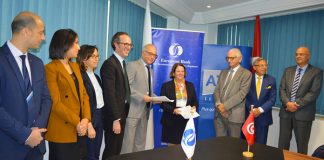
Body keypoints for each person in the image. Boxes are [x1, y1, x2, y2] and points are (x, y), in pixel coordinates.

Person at [0, 11, 52, 160]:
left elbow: (46, 99)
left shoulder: (37, 63)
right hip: (8, 147)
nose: (43, 37)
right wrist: (25, 134)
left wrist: (36, 131)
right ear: (26, 32)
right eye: (41, 33)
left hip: (36, 146)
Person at [45, 29, 92, 160]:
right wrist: (78, 122)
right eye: (75, 43)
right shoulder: (50, 69)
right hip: (62, 130)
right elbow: (55, 103)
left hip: (79, 129)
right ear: (64, 44)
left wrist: (86, 119)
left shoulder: (75, 66)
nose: (79, 47)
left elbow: (84, 95)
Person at [278, 46, 323, 154]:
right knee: (282, 144)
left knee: (302, 145)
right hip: (286, 112)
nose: (298, 56)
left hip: (304, 114)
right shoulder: (288, 70)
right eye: (296, 54)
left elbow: (313, 93)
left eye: (301, 54)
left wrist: (295, 104)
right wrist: (288, 103)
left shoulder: (316, 72)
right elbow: (282, 89)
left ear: (308, 56)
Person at [100, 32, 132, 159]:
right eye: (125, 44)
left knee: (116, 151)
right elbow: (109, 94)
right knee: (111, 151)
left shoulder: (122, 63)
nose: (128, 47)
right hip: (114, 117)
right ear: (116, 44)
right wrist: (116, 119)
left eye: (130, 44)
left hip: (121, 114)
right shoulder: (110, 64)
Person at [121, 44, 157, 153]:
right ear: (143, 53)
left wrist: (155, 98)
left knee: (140, 144)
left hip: (145, 111)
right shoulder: (132, 65)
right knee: (128, 144)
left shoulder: (150, 70)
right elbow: (127, 87)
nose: (152, 57)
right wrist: (142, 97)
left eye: (155, 55)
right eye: (150, 54)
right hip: (133, 112)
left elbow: (147, 91)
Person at [213, 48, 252, 138]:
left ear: (240, 59)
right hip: (219, 115)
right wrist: (219, 106)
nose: (229, 60)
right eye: (228, 58)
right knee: (220, 144)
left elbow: (241, 94)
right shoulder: (223, 72)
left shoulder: (246, 74)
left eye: (232, 58)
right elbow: (217, 90)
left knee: (233, 146)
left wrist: (225, 106)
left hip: (234, 116)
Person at [160, 63, 198, 145]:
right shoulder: (166, 86)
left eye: (182, 71)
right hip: (171, 121)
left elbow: (195, 101)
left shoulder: (190, 85)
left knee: (184, 147)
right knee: (172, 150)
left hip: (185, 121)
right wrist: (173, 110)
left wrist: (194, 107)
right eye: (178, 71)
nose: (180, 73)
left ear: (184, 73)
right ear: (173, 73)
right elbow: (162, 103)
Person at [77, 45, 104, 160]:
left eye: (97, 56)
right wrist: (88, 124)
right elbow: (81, 103)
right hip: (88, 118)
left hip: (99, 116)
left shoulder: (97, 77)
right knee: (89, 154)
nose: (96, 58)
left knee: (96, 153)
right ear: (84, 59)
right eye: (93, 56)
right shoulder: (80, 77)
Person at [245, 58, 276, 144]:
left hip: (264, 117)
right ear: (254, 67)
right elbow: (244, 96)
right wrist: (251, 109)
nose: (264, 67)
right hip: (249, 116)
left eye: (265, 65)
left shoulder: (271, 80)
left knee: (261, 145)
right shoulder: (248, 78)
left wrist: (260, 110)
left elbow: (272, 99)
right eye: (261, 65)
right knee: (246, 144)